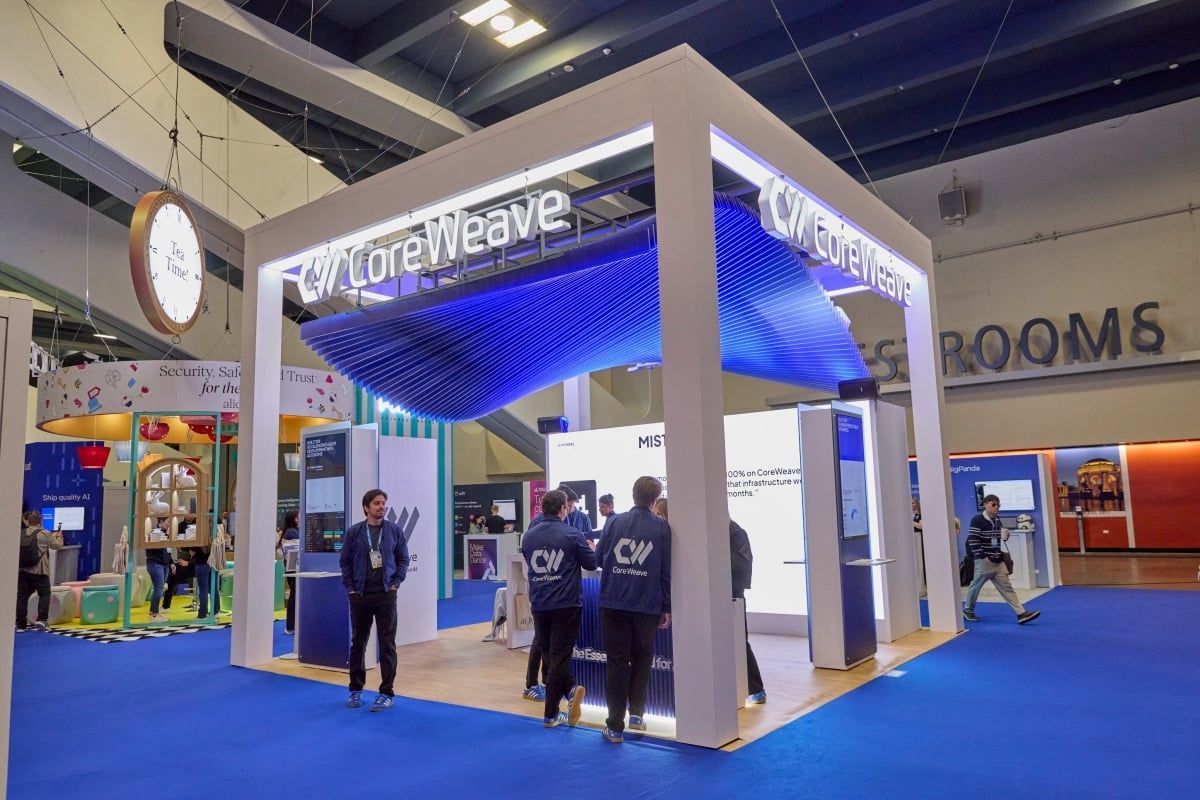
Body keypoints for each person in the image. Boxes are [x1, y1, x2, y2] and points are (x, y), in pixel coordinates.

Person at [595, 477, 671, 744]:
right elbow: (665, 571)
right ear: (655, 499)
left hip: (613, 603)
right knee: (642, 658)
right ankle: (637, 714)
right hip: (647, 605)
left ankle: (615, 726)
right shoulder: (662, 527)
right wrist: (666, 607)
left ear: (633, 494)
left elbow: (598, 558)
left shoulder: (614, 522)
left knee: (617, 663)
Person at [521, 489, 595, 728]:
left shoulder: (528, 537)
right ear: (563, 509)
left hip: (540, 604)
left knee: (551, 656)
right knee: (559, 657)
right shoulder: (572, 534)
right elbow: (591, 563)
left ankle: (569, 691)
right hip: (566, 604)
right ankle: (552, 712)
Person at [340, 489, 410, 711]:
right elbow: (345, 562)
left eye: (383, 503)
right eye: (377, 503)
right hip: (360, 596)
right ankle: (355, 690)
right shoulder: (354, 532)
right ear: (366, 507)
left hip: (385, 595)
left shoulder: (394, 531)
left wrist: (396, 583)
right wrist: (351, 589)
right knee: (358, 643)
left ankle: (386, 693)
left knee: (387, 645)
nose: (382, 507)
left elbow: (403, 559)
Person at [963, 495, 1041, 625]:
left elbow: (994, 540)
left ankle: (1021, 613)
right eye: (993, 505)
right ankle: (968, 610)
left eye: (998, 505)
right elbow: (973, 540)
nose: (997, 507)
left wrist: (1003, 538)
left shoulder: (997, 520)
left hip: (997, 560)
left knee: (1007, 588)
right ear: (985, 504)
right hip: (984, 561)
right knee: (975, 586)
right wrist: (983, 556)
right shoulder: (977, 520)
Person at [730, 518, 766, 705]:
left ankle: (757, 689)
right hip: (727, 594)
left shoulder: (737, 533)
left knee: (740, 642)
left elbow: (742, 568)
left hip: (733, 596)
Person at [16, 511, 63, 630]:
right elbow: (57, 546)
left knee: (22, 597)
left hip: (22, 571)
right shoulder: (44, 533)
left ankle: (20, 624)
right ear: (41, 522)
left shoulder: (20, 533)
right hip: (40, 571)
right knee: (44, 594)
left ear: (28, 521)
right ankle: (42, 620)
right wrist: (59, 536)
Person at [145, 520, 174, 622]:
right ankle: (154, 615)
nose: (169, 524)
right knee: (158, 588)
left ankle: (153, 612)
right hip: (155, 563)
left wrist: (171, 562)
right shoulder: (154, 532)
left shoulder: (166, 533)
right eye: (168, 521)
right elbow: (151, 549)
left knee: (159, 588)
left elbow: (168, 550)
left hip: (164, 564)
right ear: (161, 521)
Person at [280, 511, 300, 634]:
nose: (299, 519)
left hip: (290, 567)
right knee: (294, 596)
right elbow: (294, 553)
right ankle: (291, 626)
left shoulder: (289, 531)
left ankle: (292, 626)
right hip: (294, 567)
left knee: (294, 595)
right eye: (298, 517)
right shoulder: (292, 532)